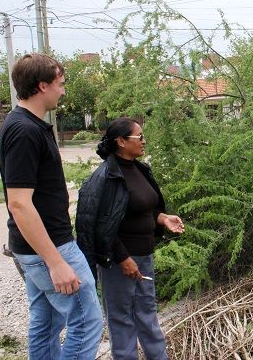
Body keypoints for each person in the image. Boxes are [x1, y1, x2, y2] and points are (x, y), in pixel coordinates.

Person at [0, 53, 103, 359]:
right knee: (87, 321)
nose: (64, 90)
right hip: (50, 248)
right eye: (61, 83)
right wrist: (56, 262)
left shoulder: (24, 125)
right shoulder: (24, 130)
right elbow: (18, 204)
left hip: (37, 247)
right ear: (42, 86)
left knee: (46, 322)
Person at [76, 117, 184, 360]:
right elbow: (101, 226)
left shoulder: (139, 169)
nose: (144, 141)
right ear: (121, 141)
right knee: (121, 318)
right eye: (140, 137)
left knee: (147, 313)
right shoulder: (106, 177)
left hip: (143, 256)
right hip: (118, 261)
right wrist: (123, 258)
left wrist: (163, 219)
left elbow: (143, 209)